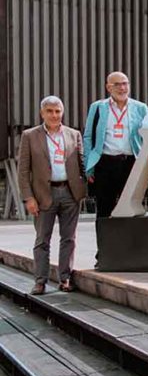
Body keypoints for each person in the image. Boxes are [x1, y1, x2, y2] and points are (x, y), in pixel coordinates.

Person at [18, 96, 87, 294]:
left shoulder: (74, 135)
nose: (54, 115)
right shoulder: (30, 136)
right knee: (42, 240)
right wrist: (28, 198)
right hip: (42, 195)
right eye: (50, 111)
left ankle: (65, 278)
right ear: (42, 113)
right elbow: (23, 171)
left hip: (70, 193)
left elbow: (82, 164)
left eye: (57, 111)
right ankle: (40, 281)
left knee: (69, 239)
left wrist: (83, 190)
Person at [83, 71, 148, 218]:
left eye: (125, 83)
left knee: (133, 209)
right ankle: (105, 241)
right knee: (104, 210)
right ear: (108, 87)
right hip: (105, 163)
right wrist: (88, 165)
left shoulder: (140, 108)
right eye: (117, 84)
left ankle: (131, 241)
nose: (122, 88)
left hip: (131, 162)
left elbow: (147, 135)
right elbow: (87, 137)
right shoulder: (98, 107)